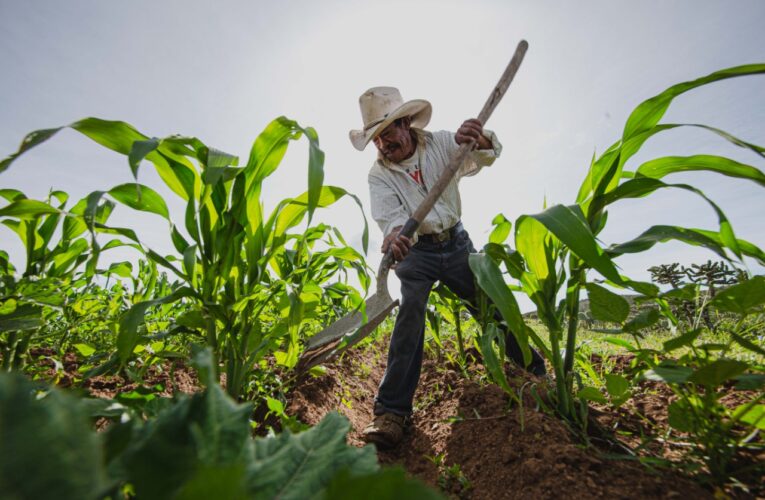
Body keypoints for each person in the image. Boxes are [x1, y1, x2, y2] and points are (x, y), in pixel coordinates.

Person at [349, 86, 546, 449]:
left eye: (387, 133)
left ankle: (536, 374)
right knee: (409, 316)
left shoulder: (441, 143)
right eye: (375, 138)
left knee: (490, 307)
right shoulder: (379, 175)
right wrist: (395, 237)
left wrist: (478, 137)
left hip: (455, 244)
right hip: (416, 254)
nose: (382, 144)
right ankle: (391, 413)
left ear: (406, 123)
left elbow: (484, 155)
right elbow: (389, 217)